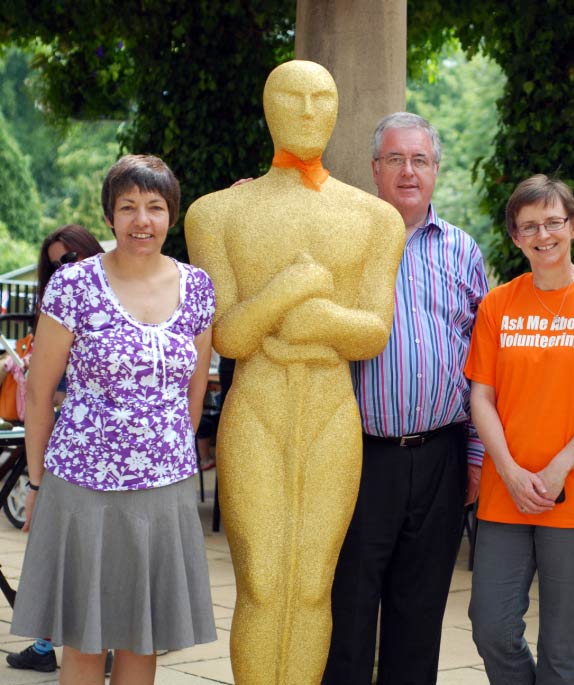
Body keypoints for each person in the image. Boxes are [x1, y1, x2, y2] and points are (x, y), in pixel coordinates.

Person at [185, 60, 405, 684]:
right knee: (259, 578)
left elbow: (373, 332)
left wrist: (316, 319)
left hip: (333, 409)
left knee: (312, 583)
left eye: (322, 99)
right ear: (267, 106)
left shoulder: (374, 218)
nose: (309, 111)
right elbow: (227, 333)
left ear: (337, 110)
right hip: (255, 406)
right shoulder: (216, 214)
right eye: (293, 97)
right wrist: (287, 291)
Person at [11, 154, 218, 685]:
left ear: (171, 214)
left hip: (164, 487)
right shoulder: (75, 286)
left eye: (153, 206)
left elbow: (193, 393)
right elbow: (39, 395)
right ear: (109, 217)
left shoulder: (197, 287)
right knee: (85, 638)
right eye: (127, 207)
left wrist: (167, 455)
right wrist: (36, 482)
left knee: (141, 639)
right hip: (83, 485)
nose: (141, 220)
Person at [323, 111, 489, 684]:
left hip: (442, 455)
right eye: (395, 158)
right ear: (374, 169)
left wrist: (475, 458)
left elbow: (483, 366)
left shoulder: (464, 251)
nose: (408, 170)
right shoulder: (344, 241)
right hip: (361, 457)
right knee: (347, 613)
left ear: (436, 170)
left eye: (420, 159)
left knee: (419, 617)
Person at [464, 175, 574, 684]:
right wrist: (511, 471)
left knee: (561, 642)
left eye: (553, 222)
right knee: (490, 626)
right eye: (529, 226)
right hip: (504, 492)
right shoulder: (498, 304)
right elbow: (480, 397)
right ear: (515, 237)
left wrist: (558, 467)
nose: (543, 235)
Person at [6, 224, 105, 674]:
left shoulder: (113, 299)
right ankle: (48, 647)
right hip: (60, 444)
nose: (65, 268)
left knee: (93, 555)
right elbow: (44, 395)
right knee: (56, 551)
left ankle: (100, 645)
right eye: (55, 264)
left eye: (71, 258)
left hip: (102, 451)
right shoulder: (58, 305)